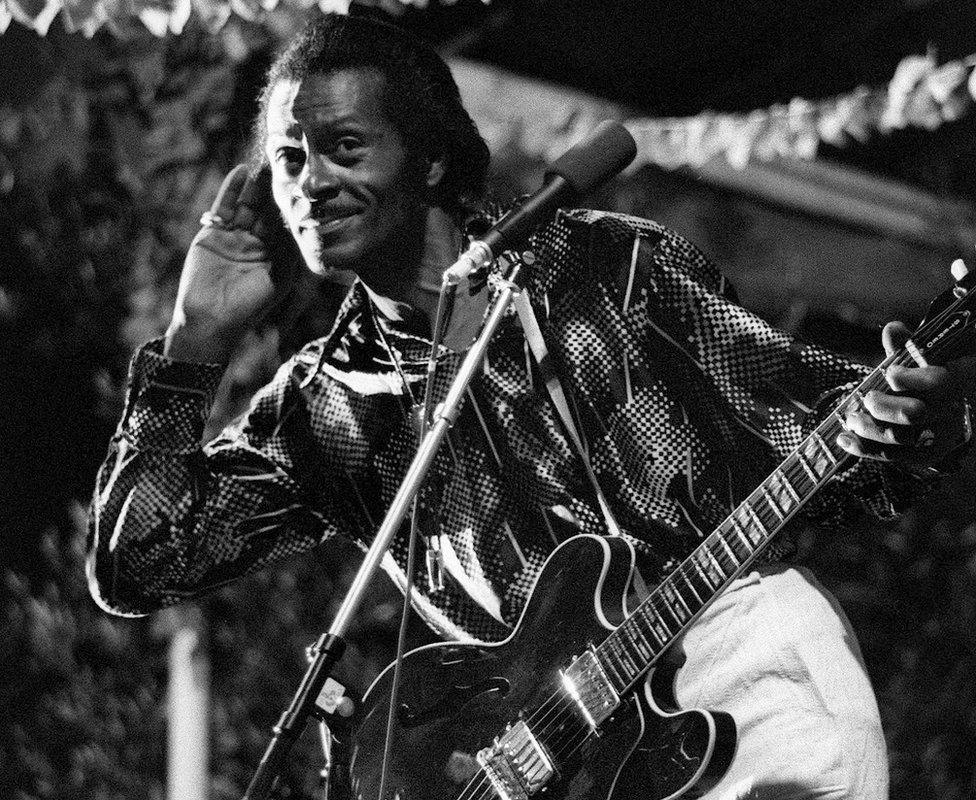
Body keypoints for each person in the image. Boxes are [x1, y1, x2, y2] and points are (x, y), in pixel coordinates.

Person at [87, 12, 974, 800]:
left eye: (343, 147)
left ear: (432, 156)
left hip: (730, 662)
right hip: (542, 762)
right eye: (288, 159)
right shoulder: (324, 405)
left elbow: (810, 415)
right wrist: (194, 344)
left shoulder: (606, 270)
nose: (308, 181)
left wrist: (914, 418)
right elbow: (140, 563)